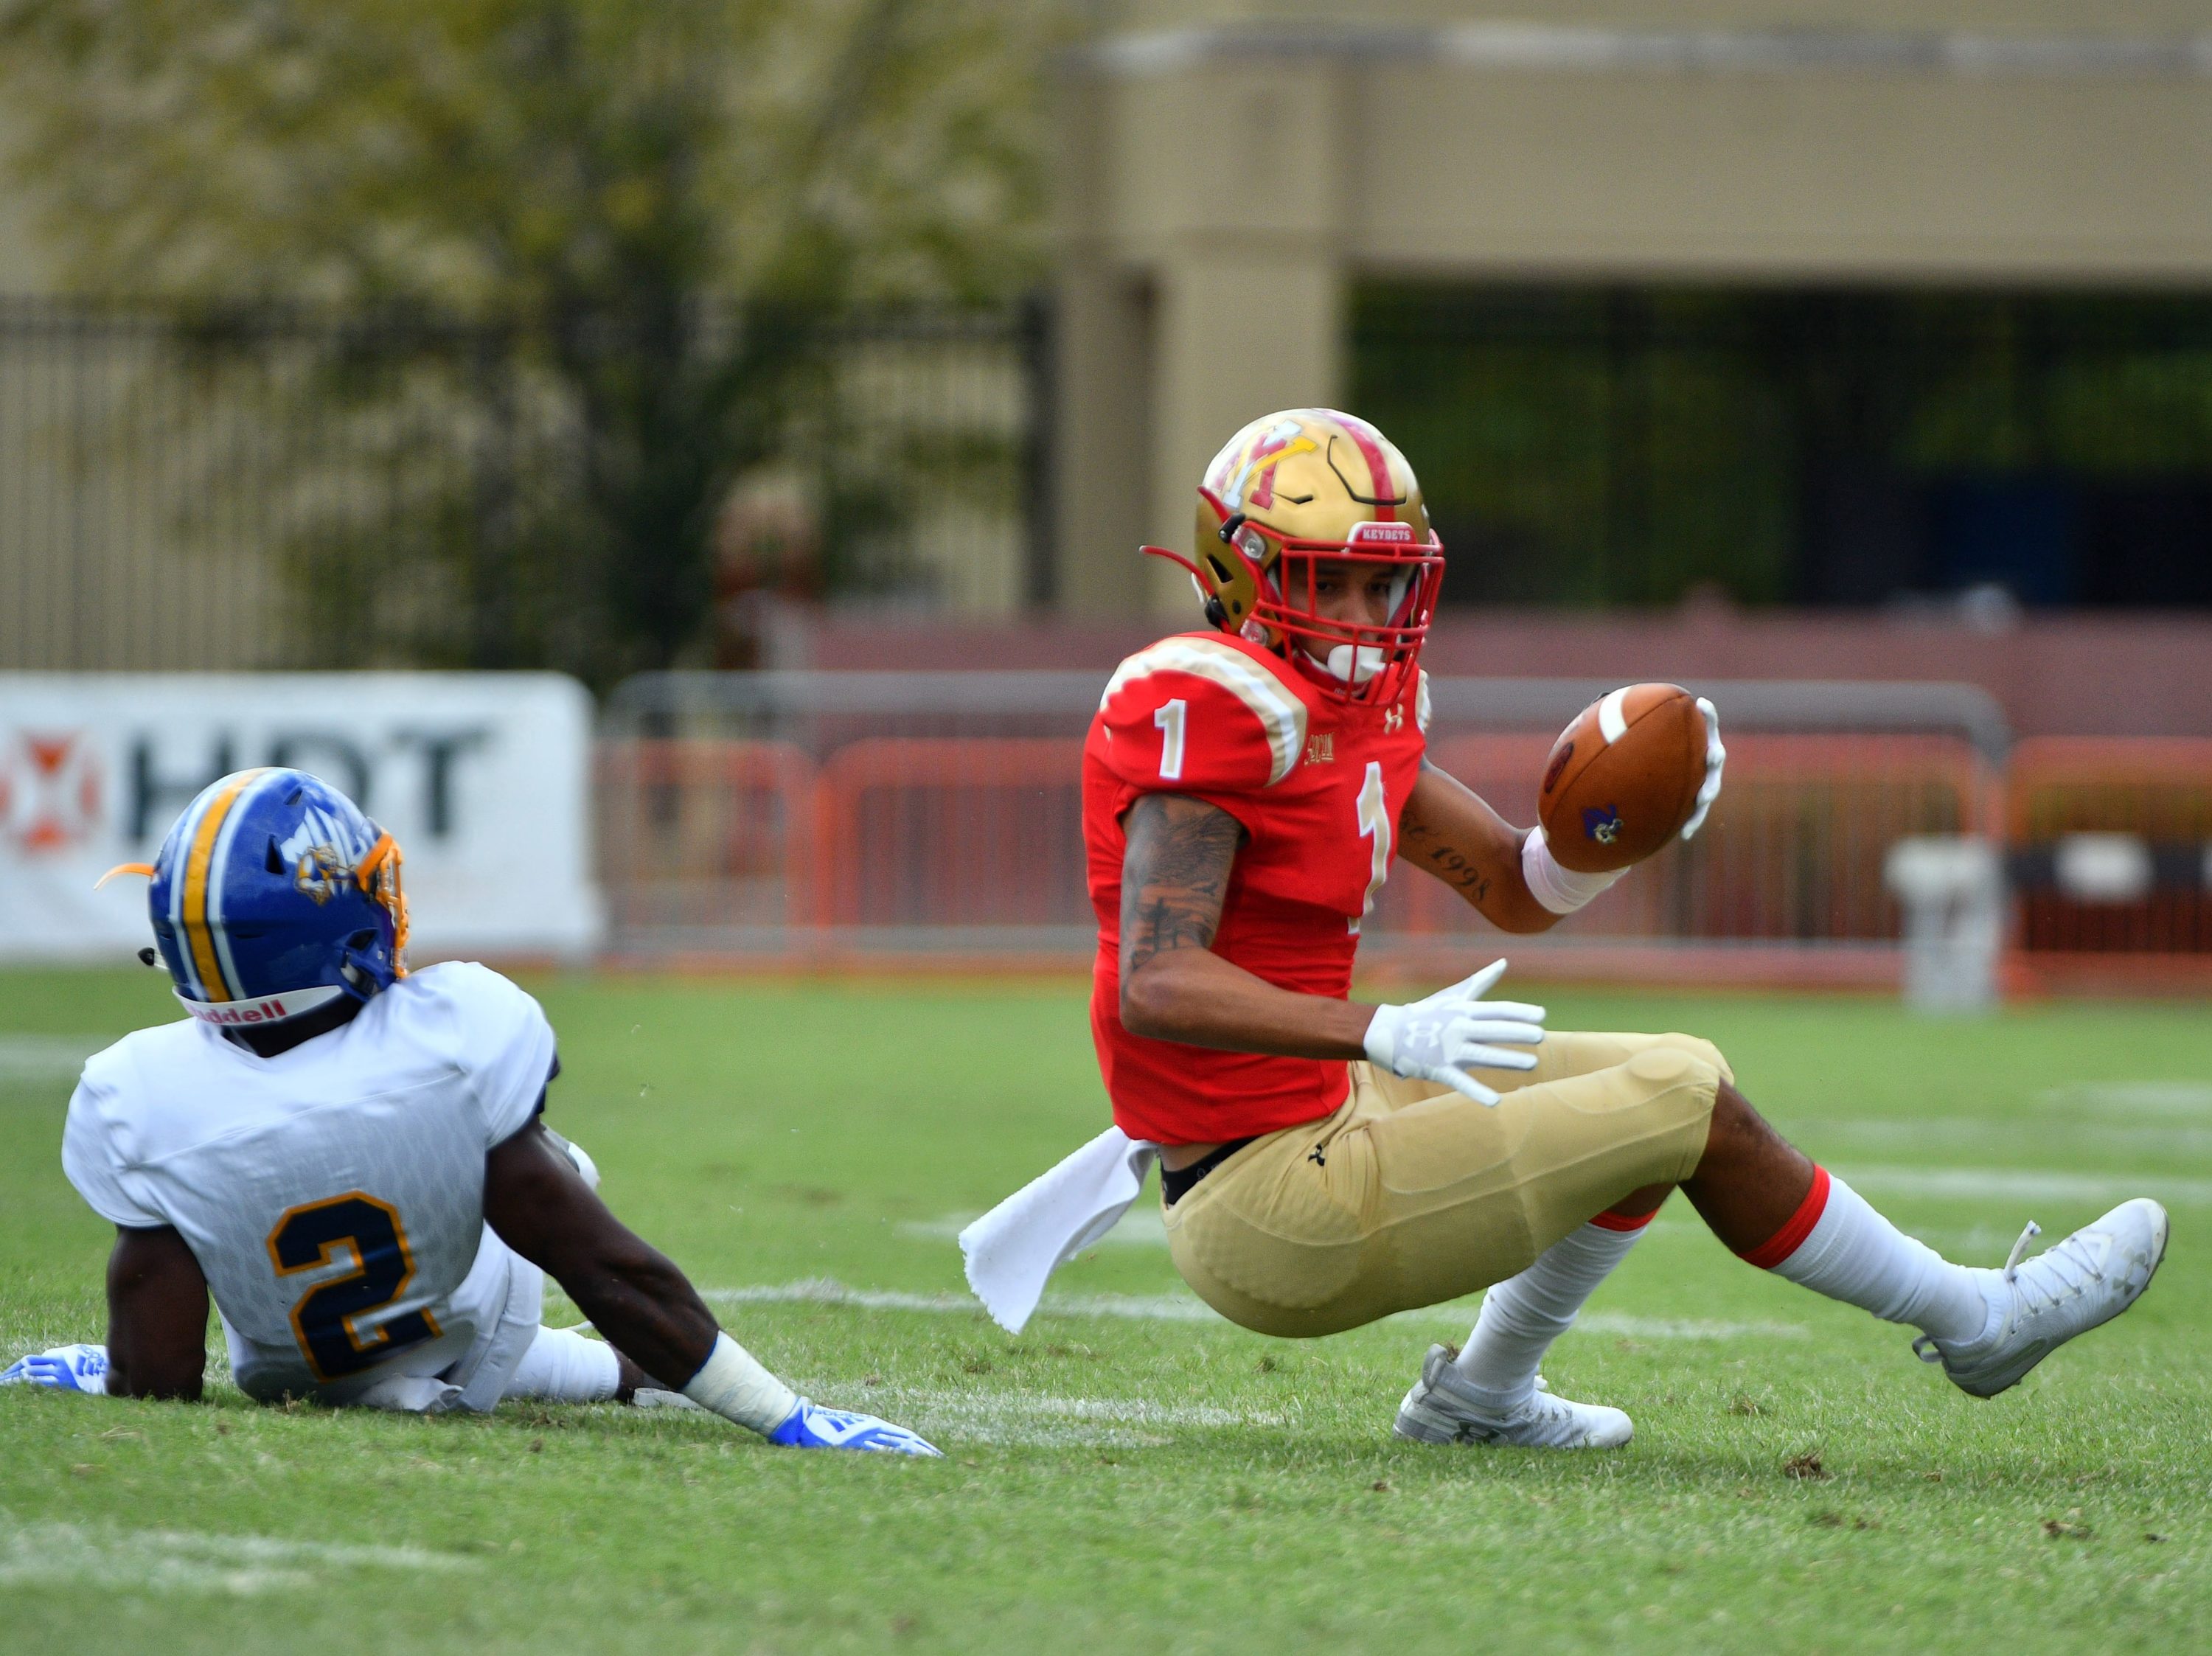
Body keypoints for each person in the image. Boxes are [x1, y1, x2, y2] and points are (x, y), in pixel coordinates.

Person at [967, 407, 2167, 1450]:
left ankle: (1483, 1395)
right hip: (1264, 1201)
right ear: (1241, 573)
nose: (1361, 609)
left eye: (1382, 579)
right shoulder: (1216, 705)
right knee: (1673, 1107)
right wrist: (1381, 1031)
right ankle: (1978, 1323)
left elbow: (1515, 886)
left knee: (1675, 1078)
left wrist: (1609, 836)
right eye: (1326, 576)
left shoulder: (1361, 710)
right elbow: (1159, 983)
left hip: (1325, 1118)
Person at [3, 767, 937, 1456]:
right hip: (473, 1336)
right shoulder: (454, 1035)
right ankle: (621, 1371)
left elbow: (160, 1373)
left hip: (284, 1369)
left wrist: (110, 1370)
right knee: (556, 1173)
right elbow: (600, 1260)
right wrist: (787, 1416)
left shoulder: (135, 1090)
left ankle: (604, 1375)